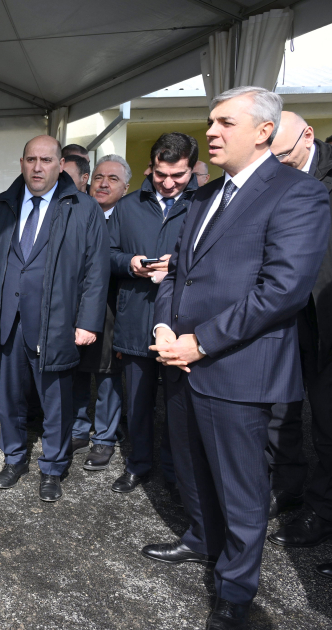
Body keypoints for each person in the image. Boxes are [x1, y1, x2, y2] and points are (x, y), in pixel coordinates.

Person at [143, 86, 330, 629]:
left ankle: (235, 587)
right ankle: (203, 538)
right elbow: (176, 271)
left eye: (225, 122)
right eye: (210, 121)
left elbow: (284, 290)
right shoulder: (202, 197)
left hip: (238, 369)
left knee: (242, 488)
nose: (211, 132)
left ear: (264, 131)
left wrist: (199, 342)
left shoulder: (298, 194)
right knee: (193, 469)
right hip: (180, 361)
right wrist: (163, 325)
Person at [0, 135, 108, 502]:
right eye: (31, 159)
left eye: (46, 160)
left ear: (61, 164)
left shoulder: (83, 208)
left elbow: (97, 269)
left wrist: (88, 321)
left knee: (56, 403)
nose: (37, 167)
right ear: (21, 162)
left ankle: (54, 467)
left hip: (56, 322)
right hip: (6, 320)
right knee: (9, 398)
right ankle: (13, 458)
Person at [108, 133, 199, 502]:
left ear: (192, 169)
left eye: (178, 175)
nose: (168, 182)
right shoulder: (128, 207)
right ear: (151, 166)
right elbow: (107, 254)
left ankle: (176, 472)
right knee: (138, 403)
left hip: (181, 324)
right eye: (161, 174)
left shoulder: (203, 205)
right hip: (135, 319)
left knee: (179, 407)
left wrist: (174, 265)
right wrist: (129, 263)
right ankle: (138, 464)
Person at [267, 113, 332, 582]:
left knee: (328, 424)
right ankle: (296, 495)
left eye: (286, 156)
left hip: (327, 316)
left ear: (308, 136)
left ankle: (321, 513)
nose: (281, 165)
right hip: (292, 318)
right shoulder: (275, 175)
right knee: (287, 414)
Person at [71, 155, 129, 472]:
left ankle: (104, 437)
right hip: (77, 308)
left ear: (126, 187)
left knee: (107, 375)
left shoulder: (129, 218)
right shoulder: (76, 212)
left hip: (113, 309)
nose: (104, 183)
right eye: (99, 177)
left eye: (113, 179)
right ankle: (79, 430)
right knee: (77, 369)